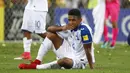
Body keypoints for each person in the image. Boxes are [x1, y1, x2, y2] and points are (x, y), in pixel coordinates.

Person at [18, 9, 95, 69]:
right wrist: (62, 28)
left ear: (80, 20)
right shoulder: (67, 26)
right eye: (69, 20)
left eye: (73, 20)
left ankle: (36, 67)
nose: (71, 22)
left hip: (79, 60)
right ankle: (37, 61)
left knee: (64, 61)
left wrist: (91, 67)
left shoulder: (84, 31)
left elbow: (88, 50)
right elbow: (49, 29)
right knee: (51, 35)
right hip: (70, 52)